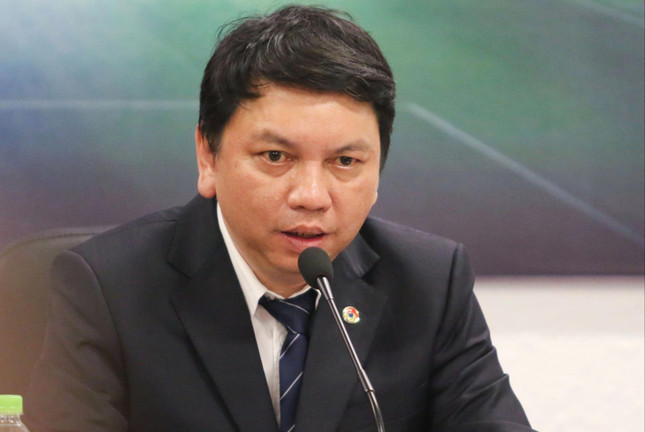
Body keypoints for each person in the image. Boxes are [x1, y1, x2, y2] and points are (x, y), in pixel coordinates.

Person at [24, 5, 535, 432]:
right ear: (208, 156)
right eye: (275, 157)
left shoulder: (429, 283)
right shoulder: (110, 288)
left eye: (345, 161)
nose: (312, 196)